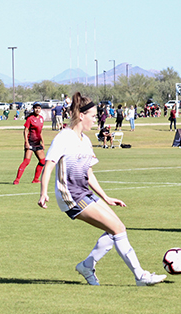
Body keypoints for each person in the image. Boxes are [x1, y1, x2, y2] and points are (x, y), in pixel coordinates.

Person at [37, 92, 166, 286]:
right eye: (93, 116)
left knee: (117, 229)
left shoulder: (85, 141)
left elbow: (88, 173)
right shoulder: (64, 137)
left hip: (84, 193)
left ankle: (87, 266)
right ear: (81, 116)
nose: (95, 120)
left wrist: (105, 197)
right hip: (70, 196)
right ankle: (140, 276)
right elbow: (49, 166)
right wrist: (43, 192)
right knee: (117, 229)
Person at [13, 103, 45, 185]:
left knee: (42, 161)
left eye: (39, 108)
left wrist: (43, 142)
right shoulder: (30, 119)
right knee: (26, 161)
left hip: (38, 143)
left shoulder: (41, 119)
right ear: (33, 109)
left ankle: (36, 179)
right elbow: (25, 130)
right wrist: (26, 142)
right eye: (36, 108)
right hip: (30, 142)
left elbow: (40, 132)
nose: (37, 110)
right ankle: (17, 180)